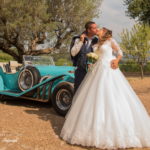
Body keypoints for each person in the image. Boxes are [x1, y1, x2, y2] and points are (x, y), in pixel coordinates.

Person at [60, 27, 150, 149]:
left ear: (105, 32)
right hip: (97, 70)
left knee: (114, 95)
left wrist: (117, 60)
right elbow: (95, 56)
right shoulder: (95, 43)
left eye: (100, 29)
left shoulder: (110, 41)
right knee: (94, 97)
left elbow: (120, 52)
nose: (98, 30)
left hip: (109, 69)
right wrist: (91, 61)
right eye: (97, 29)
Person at [70, 21, 99, 93]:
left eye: (96, 27)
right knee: (78, 91)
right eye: (94, 28)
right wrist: (81, 42)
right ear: (89, 30)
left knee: (90, 92)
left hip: (92, 71)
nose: (97, 29)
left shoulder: (97, 41)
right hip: (80, 70)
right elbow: (73, 53)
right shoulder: (78, 39)